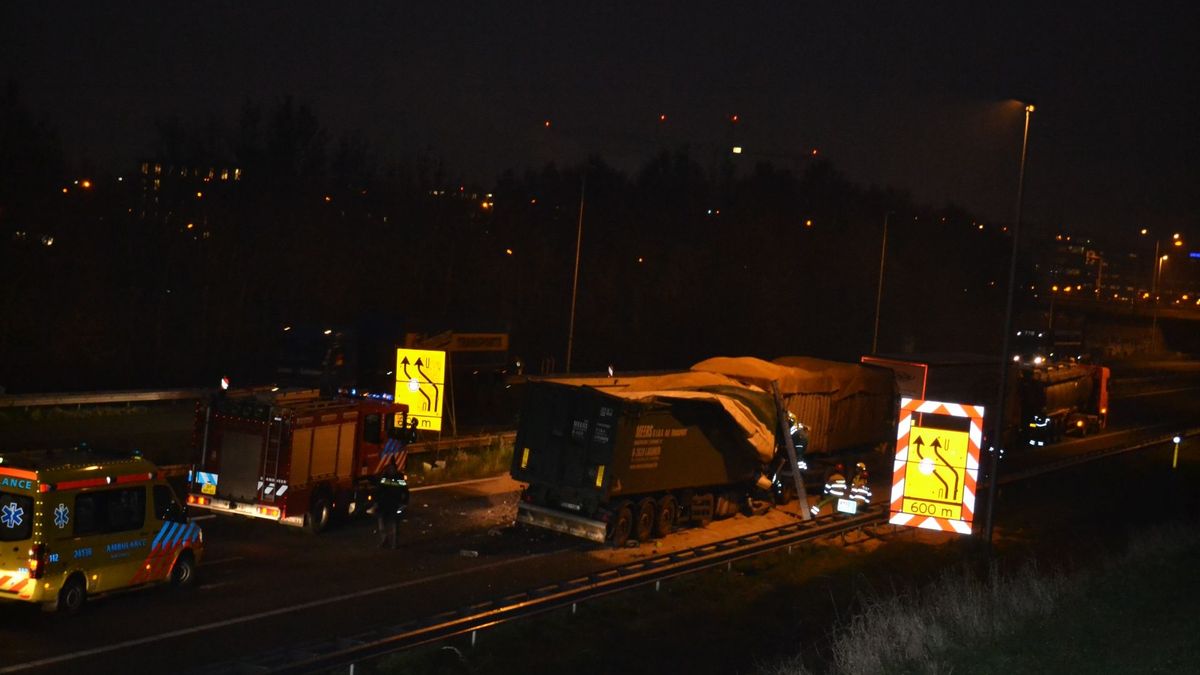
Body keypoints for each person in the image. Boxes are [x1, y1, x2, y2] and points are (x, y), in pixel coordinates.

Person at [376, 457, 406, 549]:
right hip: (385, 503)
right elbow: (379, 490)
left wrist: (404, 503)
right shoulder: (386, 477)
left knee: (394, 525)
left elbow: (405, 491)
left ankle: (394, 543)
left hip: (394, 503)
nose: (391, 470)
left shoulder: (398, 478)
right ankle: (385, 540)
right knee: (382, 523)